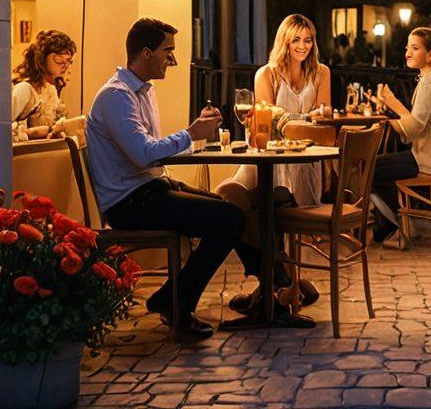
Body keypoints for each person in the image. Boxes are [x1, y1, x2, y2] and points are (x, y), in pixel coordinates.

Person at [86, 18, 300, 340]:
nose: (172, 59)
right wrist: (191, 134)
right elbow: (144, 154)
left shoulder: (142, 91)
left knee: (232, 204)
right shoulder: (116, 96)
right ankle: (180, 301)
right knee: (227, 218)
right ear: (146, 53)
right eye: (167, 51)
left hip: (151, 187)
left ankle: (267, 287)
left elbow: (151, 156)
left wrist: (194, 136)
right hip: (130, 202)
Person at [217, 14, 330, 313]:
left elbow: (324, 122)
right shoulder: (265, 74)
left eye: (308, 40)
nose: (303, 46)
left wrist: (293, 122)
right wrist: (300, 121)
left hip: (305, 161)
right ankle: (283, 280)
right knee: (229, 195)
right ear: (284, 41)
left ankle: (274, 288)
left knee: (275, 210)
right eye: (296, 40)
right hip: (267, 158)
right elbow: (266, 122)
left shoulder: (322, 73)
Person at [370, 27, 431, 243]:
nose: (408, 53)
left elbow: (415, 126)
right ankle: (390, 221)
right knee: (376, 165)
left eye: (415, 48)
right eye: (408, 47)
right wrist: (394, 108)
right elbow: (418, 123)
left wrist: (389, 115)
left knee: (366, 167)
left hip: (424, 160)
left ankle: (389, 223)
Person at [12, 30, 77, 140]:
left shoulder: (50, 89)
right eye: (59, 59)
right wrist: (27, 133)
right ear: (41, 58)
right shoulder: (25, 89)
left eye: (68, 61)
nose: (65, 66)